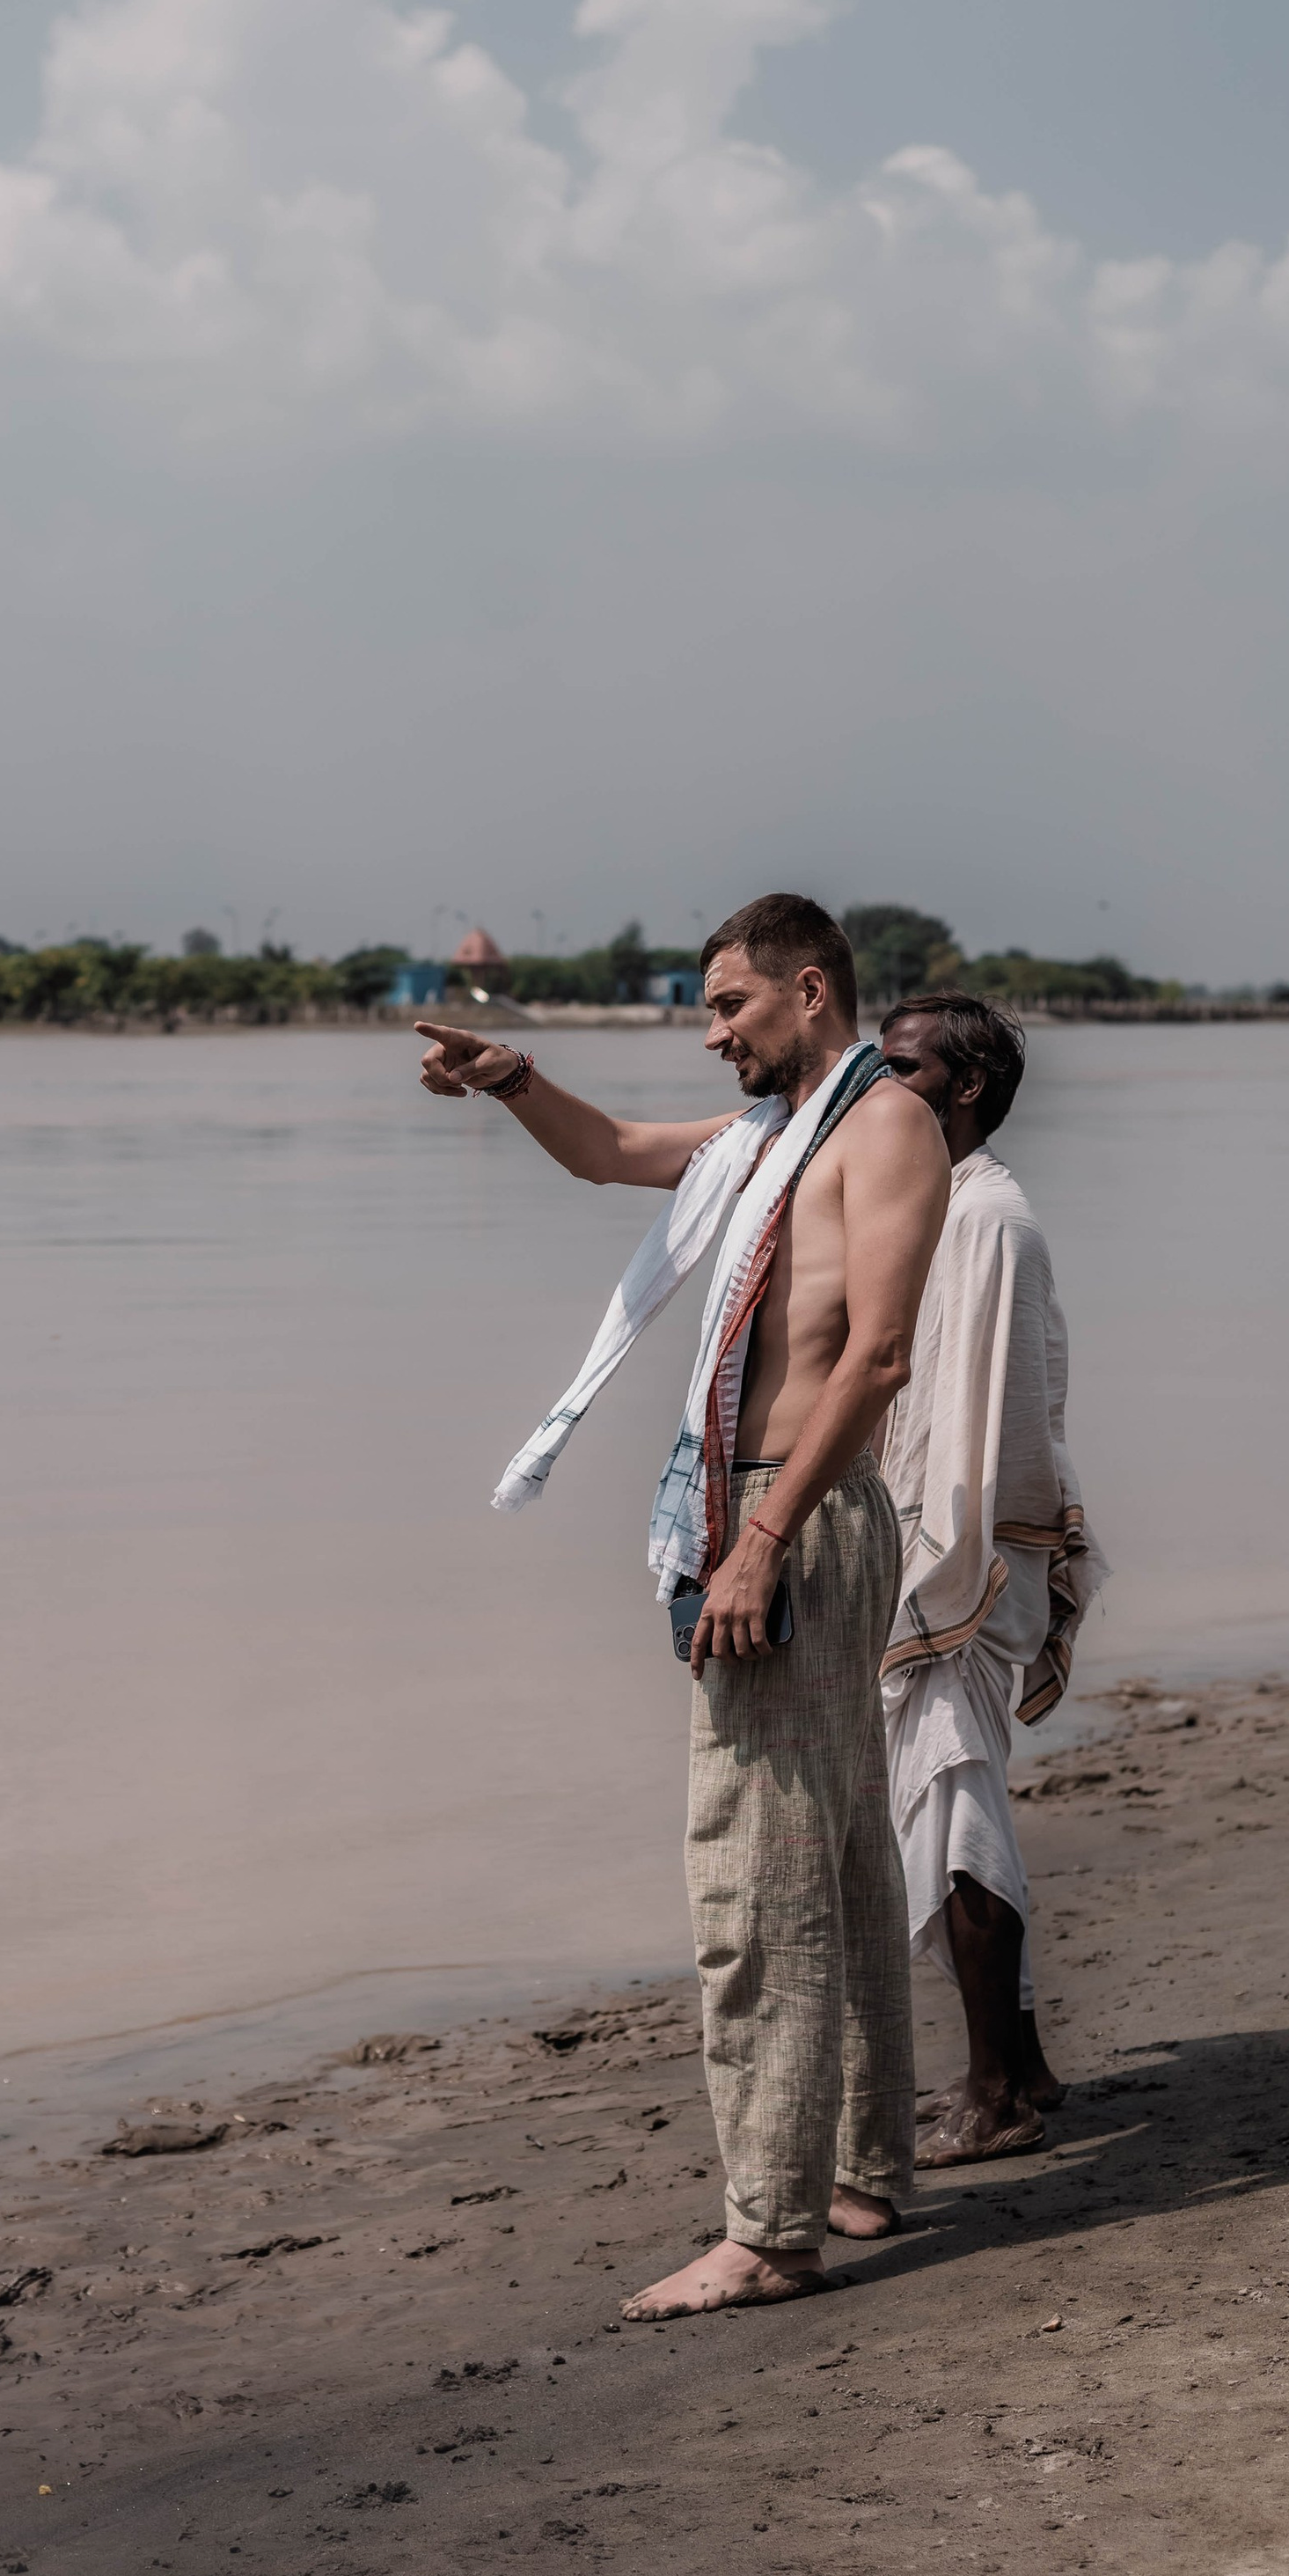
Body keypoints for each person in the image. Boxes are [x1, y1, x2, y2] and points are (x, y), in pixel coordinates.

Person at [417, 894, 951, 2317]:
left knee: (754, 1887)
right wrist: (512, 1080)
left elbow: (879, 1355)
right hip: (770, 1514)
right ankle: (864, 2170)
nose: (713, 1034)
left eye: (731, 1008)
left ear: (812, 989)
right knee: (834, 1854)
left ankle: (770, 2233)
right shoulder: (772, 1143)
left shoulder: (882, 1127)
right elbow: (608, 1157)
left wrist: (761, 1538)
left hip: (798, 1517)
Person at [875, 994, 1107, 2167]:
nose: (880, 1084)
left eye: (902, 1067)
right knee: (962, 1805)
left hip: (961, 1547)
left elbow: (1002, 1418)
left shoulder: (992, 1223)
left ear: (965, 1089)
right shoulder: (938, 1206)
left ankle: (996, 2093)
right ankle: (1024, 2066)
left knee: (956, 1805)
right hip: (935, 1536)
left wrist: (944, 1569)